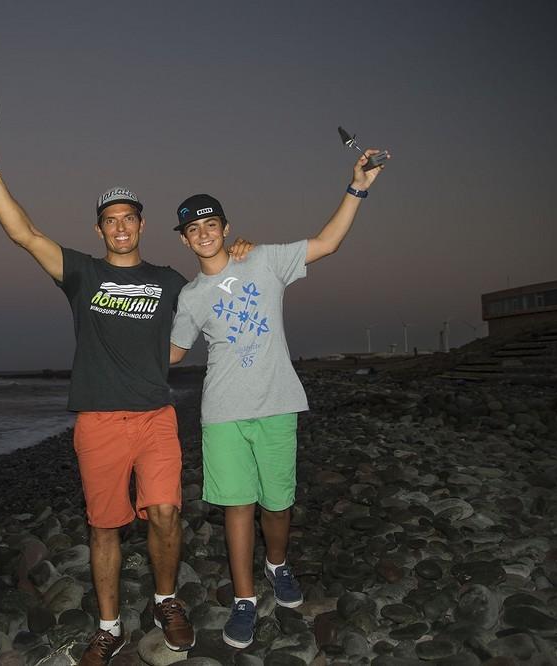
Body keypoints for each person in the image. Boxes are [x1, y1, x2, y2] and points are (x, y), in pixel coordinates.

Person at [0, 145, 203, 665]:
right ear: (99, 230)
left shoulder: (169, 281)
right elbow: (26, 235)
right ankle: (109, 628)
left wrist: (239, 253)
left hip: (155, 417)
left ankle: (165, 600)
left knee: (165, 512)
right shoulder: (83, 274)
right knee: (104, 526)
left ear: (142, 224)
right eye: (110, 220)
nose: (120, 227)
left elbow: (209, 304)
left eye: (128, 218)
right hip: (99, 421)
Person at [168, 149, 389, 649]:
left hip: (277, 403)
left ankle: (277, 563)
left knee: (278, 504)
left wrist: (357, 186)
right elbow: (173, 352)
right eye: (193, 229)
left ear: (226, 228)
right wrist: (114, 336)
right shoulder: (191, 296)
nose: (203, 233)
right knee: (237, 507)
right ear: (184, 239)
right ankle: (244, 599)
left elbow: (328, 242)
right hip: (223, 413)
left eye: (210, 224)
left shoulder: (264, 260)